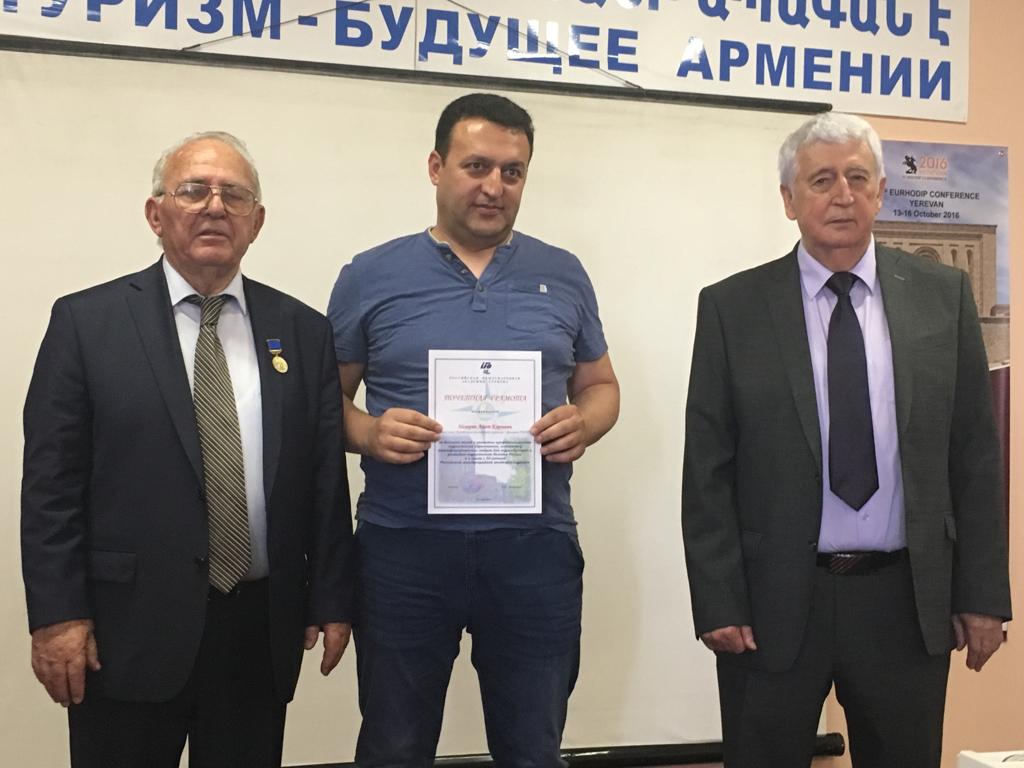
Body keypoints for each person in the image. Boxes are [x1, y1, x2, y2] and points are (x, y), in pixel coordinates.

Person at [681, 112, 1012, 768]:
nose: (842, 195)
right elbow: (707, 467)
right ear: (789, 199)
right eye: (822, 180)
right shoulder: (733, 308)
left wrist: (982, 595)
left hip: (904, 600)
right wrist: (717, 599)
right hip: (773, 604)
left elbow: (975, 455)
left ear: (881, 192)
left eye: (858, 179)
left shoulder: (941, 297)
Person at [21, 131, 354, 768]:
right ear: (156, 213)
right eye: (194, 191)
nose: (215, 207)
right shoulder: (86, 323)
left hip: (258, 628)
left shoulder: (303, 331)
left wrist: (333, 598)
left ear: (257, 222)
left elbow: (322, 477)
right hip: (126, 630)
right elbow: (50, 489)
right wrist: (58, 615)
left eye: (235, 195)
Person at [327, 93, 619, 767]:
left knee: (533, 746)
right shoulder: (371, 274)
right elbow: (324, 403)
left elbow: (602, 386)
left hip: (534, 547)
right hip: (403, 548)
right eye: (477, 166)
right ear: (436, 167)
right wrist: (368, 433)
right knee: (395, 745)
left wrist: (584, 422)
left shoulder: (562, 272)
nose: (494, 186)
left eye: (513, 172)